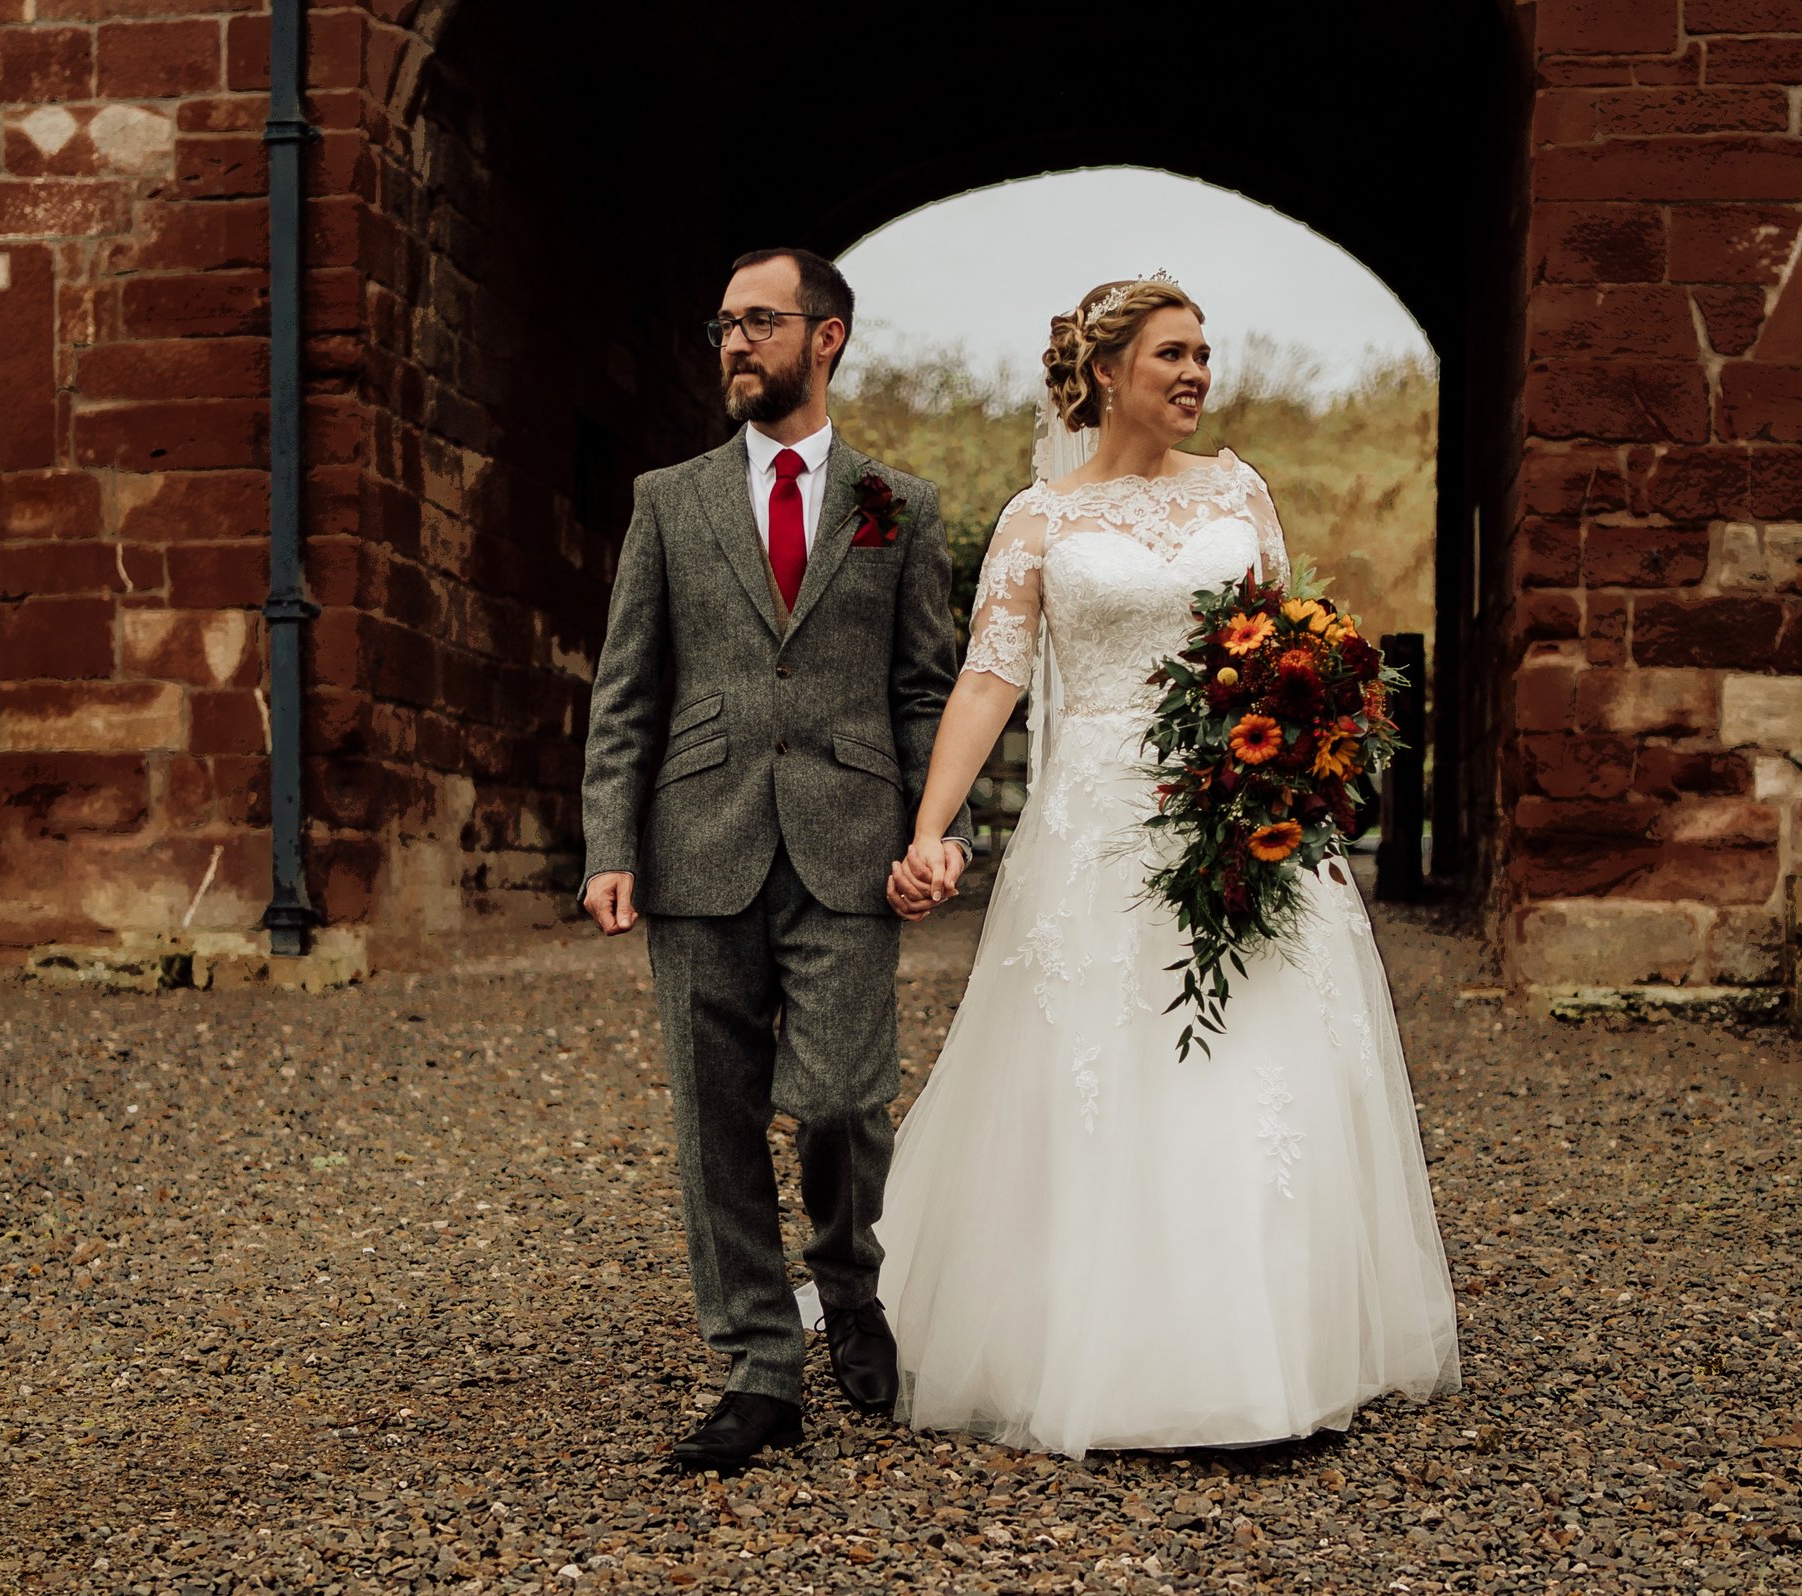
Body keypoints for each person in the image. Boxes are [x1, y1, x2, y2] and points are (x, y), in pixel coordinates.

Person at [875, 275, 1461, 1457]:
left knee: (1255, 1063)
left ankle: (1263, 1357)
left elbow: (1279, 651)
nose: (1196, 374)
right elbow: (990, 679)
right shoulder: (1039, 520)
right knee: (1104, 1062)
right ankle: (1110, 1351)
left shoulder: (1240, 491)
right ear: (1105, 373)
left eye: (1204, 353)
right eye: (1171, 354)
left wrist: (1302, 784)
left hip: (1237, 807)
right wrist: (929, 828)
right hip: (1094, 825)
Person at [578, 247, 972, 1472]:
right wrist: (608, 841)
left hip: (850, 842)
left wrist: (934, 831)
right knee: (718, 1117)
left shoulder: (893, 506)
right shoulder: (668, 498)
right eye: (723, 326)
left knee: (848, 1096)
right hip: (699, 838)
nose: (734, 344)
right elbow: (626, 687)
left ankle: (848, 1287)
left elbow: (925, 688)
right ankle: (758, 1363)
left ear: (827, 337)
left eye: (759, 322)